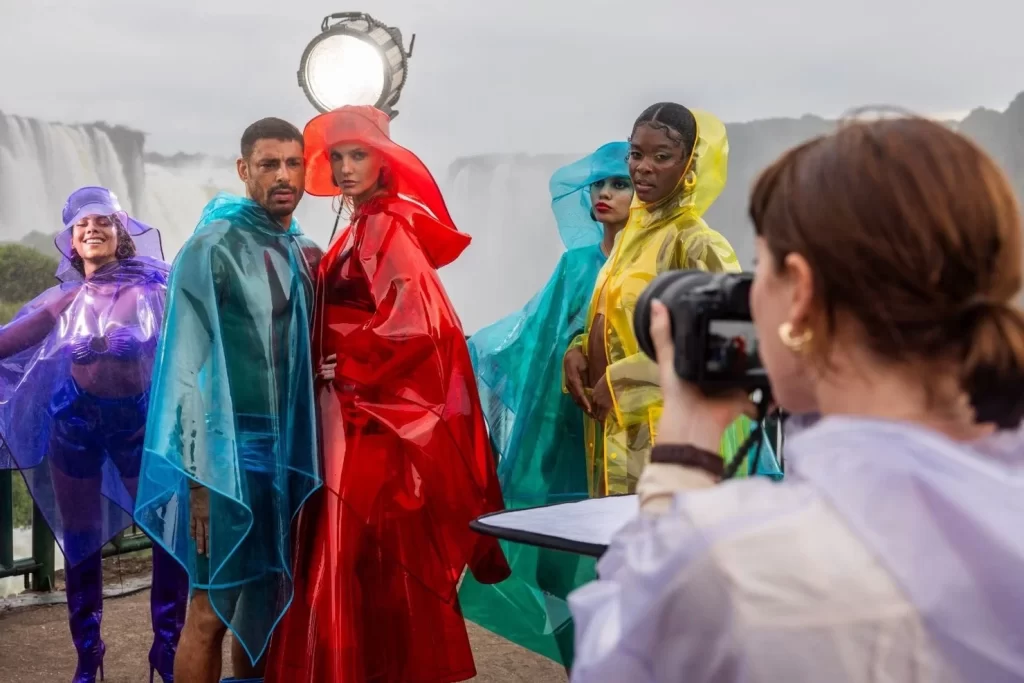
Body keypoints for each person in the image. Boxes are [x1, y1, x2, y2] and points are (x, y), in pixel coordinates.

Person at [569, 116, 1024, 681]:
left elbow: (622, 657)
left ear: (801, 292)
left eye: (761, 271)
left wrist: (686, 454)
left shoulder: (740, 565)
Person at [263, 104, 510, 683]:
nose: (346, 168)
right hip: (353, 415)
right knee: (365, 556)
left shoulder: (382, 225)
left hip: (365, 420)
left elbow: (421, 323)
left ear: (383, 160)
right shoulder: (364, 221)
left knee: (352, 550)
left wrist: (346, 362)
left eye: (359, 155)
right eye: (339, 157)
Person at [134, 118, 322, 683]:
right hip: (227, 452)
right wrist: (197, 480)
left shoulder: (306, 252)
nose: (283, 176)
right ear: (244, 170)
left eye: (293, 163)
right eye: (269, 164)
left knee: (268, 607)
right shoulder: (211, 248)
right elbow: (182, 371)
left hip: (290, 453)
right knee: (210, 610)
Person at [0, 186, 186, 683]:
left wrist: (144, 338)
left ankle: (166, 649)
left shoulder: (154, 287)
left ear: (121, 232)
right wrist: (66, 350)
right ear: (71, 240)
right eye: (82, 225)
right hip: (74, 426)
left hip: (137, 426)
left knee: (169, 536)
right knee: (79, 543)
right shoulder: (64, 299)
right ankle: (89, 654)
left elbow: (188, 342)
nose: (92, 229)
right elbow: (8, 344)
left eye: (102, 221)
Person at [458, 142, 632, 667]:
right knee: (552, 568)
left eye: (619, 183)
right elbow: (530, 336)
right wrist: (459, 353)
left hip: (625, 437)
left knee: (620, 563)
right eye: (598, 184)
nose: (604, 193)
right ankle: (581, 663)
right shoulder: (576, 264)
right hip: (565, 434)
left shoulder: (647, 263)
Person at [562, 102, 779, 497]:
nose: (643, 167)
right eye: (636, 154)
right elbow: (612, 316)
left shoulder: (696, 242)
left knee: (660, 544)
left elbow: (732, 342)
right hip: (612, 434)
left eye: (661, 157)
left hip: (667, 439)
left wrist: (621, 380)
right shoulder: (629, 237)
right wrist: (577, 350)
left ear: (689, 165)